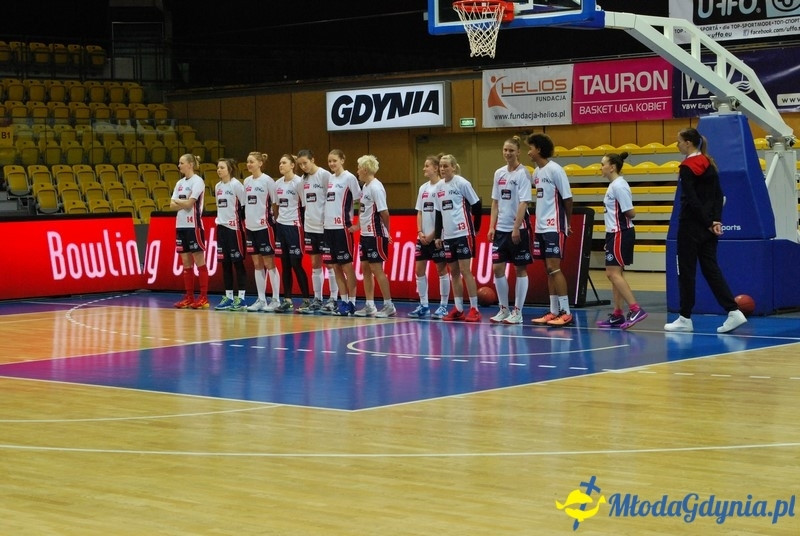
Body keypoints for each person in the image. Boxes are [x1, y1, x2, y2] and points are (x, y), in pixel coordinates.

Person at [664, 127, 747, 334]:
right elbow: (719, 196)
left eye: (679, 141)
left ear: (688, 143)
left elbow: (692, 200)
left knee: (686, 272)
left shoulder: (687, 167)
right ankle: (733, 311)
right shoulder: (708, 163)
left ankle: (684, 318)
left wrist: (708, 221)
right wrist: (715, 220)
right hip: (708, 227)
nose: (677, 145)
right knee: (711, 269)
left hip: (691, 226)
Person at [596, 152, 648, 329]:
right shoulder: (613, 185)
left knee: (612, 274)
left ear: (612, 167)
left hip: (621, 232)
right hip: (614, 233)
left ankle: (635, 309)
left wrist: (614, 234)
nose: (600, 167)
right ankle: (617, 313)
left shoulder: (619, 186)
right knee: (615, 274)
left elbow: (630, 212)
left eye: (603, 164)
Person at [526, 133, 574, 327]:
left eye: (530, 148)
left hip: (554, 225)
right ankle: (554, 311)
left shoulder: (556, 170)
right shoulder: (536, 173)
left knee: (555, 268)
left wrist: (567, 222)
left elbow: (567, 198)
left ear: (538, 149)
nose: (528, 151)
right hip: (541, 226)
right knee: (548, 269)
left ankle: (566, 311)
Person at [486, 136, 534, 325]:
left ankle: (518, 311)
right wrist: (492, 226)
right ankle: (503, 309)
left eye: (511, 151)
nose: (507, 153)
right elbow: (495, 202)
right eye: (505, 150)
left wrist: (516, 227)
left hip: (518, 229)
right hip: (501, 229)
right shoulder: (499, 173)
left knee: (519, 269)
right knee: (497, 268)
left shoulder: (523, 174)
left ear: (518, 152)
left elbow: (524, 202)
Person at [433, 154, 482, 322]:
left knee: (464, 270)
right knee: (453, 272)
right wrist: (438, 234)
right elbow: (438, 213)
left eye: (446, 166)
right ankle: (459, 308)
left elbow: (477, 204)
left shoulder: (462, 183)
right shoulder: (438, 187)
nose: (442, 169)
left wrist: (475, 228)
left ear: (454, 167)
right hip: (448, 236)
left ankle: (474, 308)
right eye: (440, 166)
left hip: (463, 233)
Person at [296, 149, 339, 314]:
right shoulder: (302, 180)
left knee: (330, 264)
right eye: (300, 164)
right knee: (315, 264)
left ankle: (333, 299)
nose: (303, 166)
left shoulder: (324, 175)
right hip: (310, 227)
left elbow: (332, 199)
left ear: (313, 159)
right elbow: (304, 203)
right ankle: (317, 298)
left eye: (305, 163)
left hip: (324, 227)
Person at [353, 154, 396, 318]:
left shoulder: (376, 187)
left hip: (375, 234)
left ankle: (388, 304)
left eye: (358, 168)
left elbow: (384, 212)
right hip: (365, 234)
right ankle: (369, 305)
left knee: (377, 269)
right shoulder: (365, 187)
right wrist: (358, 225)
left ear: (364, 169)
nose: (357, 171)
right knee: (365, 269)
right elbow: (363, 210)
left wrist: (387, 232)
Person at [409, 155, 450, 319]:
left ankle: (443, 306)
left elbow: (442, 214)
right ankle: (424, 305)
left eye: (427, 166)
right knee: (419, 270)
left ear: (435, 168)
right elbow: (419, 211)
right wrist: (420, 232)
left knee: (441, 270)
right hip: (422, 237)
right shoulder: (423, 188)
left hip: (438, 237)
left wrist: (434, 234)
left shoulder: (442, 186)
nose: (424, 168)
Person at [323, 149, 361, 316]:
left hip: (342, 228)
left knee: (347, 266)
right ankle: (343, 300)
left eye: (335, 161)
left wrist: (357, 223)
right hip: (328, 228)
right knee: (335, 267)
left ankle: (352, 302)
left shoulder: (349, 178)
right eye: (330, 161)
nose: (332, 164)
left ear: (342, 160)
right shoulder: (330, 178)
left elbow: (359, 199)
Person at [242, 151, 281, 312]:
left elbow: (275, 203)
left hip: (265, 227)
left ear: (260, 163)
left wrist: (272, 221)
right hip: (250, 228)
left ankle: (276, 299)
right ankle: (261, 299)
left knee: (269, 263)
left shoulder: (268, 181)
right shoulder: (246, 181)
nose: (249, 164)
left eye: (251, 161)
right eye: (247, 161)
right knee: (257, 264)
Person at [171, 153, 209, 309]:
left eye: (181, 163)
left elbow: (189, 204)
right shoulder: (180, 183)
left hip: (194, 226)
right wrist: (183, 202)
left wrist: (180, 202)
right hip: (180, 226)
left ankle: (204, 297)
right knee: (186, 262)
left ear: (190, 164)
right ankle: (189, 297)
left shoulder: (198, 181)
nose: (179, 166)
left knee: (199, 261)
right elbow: (171, 205)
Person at [274, 154, 311, 312]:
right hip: (281, 227)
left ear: (292, 165)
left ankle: (306, 299)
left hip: (294, 227)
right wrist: (278, 221)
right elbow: (275, 205)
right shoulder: (277, 183)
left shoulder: (299, 182)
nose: (281, 165)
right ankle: (287, 300)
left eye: (284, 163)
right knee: (285, 264)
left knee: (296, 263)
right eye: (280, 163)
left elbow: (304, 205)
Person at [213, 157, 248, 311]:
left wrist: (238, 222)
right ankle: (228, 296)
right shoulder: (217, 186)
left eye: (222, 167)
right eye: (218, 167)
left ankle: (240, 298)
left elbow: (244, 206)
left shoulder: (236, 185)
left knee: (237, 263)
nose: (219, 170)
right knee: (225, 264)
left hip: (234, 229)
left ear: (229, 169)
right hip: (221, 228)